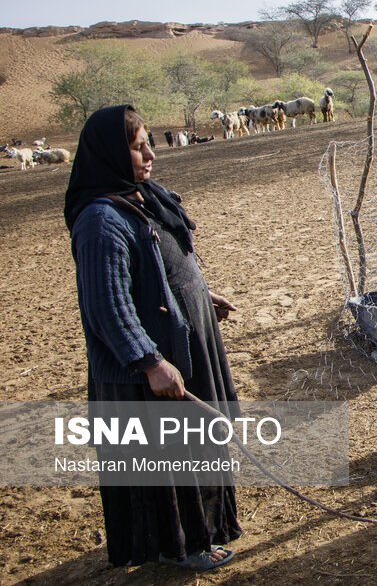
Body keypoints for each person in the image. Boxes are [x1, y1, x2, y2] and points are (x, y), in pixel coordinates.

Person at [65, 105, 241, 569]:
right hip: (147, 369)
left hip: (177, 344)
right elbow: (106, 306)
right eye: (138, 145)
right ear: (109, 153)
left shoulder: (140, 197)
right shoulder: (101, 221)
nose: (150, 154)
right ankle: (179, 549)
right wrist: (149, 361)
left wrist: (201, 294)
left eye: (148, 143)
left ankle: (201, 534)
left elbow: (163, 265)